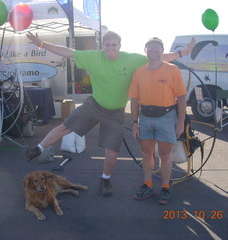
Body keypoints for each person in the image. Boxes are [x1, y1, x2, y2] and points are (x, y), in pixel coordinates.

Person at [25, 31, 194, 197]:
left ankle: (105, 179)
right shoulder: (93, 56)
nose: (111, 47)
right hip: (94, 104)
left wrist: (182, 53)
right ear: (102, 46)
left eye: (114, 44)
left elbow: (159, 57)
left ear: (120, 46)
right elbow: (67, 52)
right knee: (65, 127)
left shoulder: (132, 59)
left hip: (116, 112)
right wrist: (41, 44)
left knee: (111, 152)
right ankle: (38, 149)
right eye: (107, 44)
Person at [128, 37, 187, 205]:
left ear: (162, 51)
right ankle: (147, 185)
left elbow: (182, 97)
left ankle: (165, 188)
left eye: (157, 47)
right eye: (150, 47)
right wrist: (134, 122)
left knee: (165, 155)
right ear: (145, 50)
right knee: (146, 153)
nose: (153, 50)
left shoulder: (172, 70)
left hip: (167, 118)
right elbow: (134, 99)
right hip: (145, 118)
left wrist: (180, 122)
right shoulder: (139, 72)